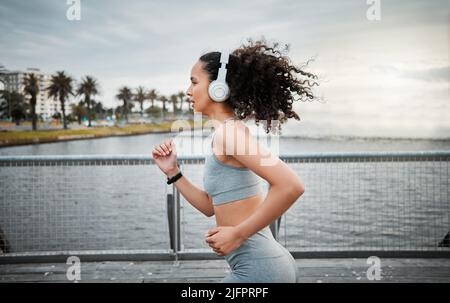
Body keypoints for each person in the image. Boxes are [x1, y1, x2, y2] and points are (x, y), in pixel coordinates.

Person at [152, 38, 317, 282]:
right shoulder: (226, 133)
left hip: (260, 270)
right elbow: (211, 206)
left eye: (194, 82)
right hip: (264, 267)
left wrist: (238, 234)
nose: (188, 91)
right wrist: (173, 172)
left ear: (219, 88)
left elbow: (291, 186)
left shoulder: (229, 133)